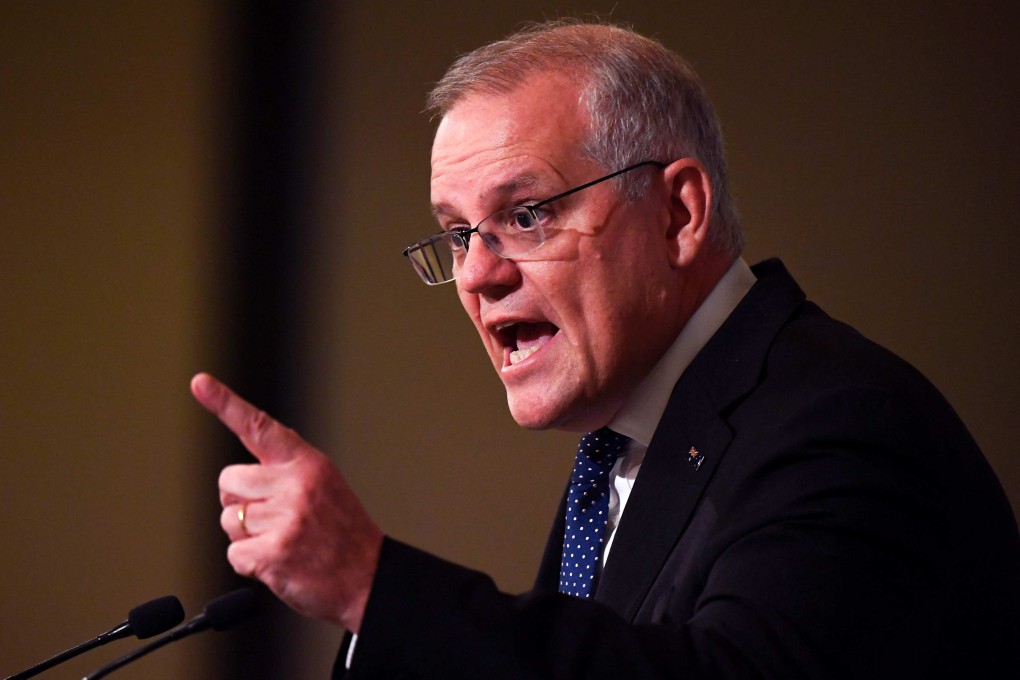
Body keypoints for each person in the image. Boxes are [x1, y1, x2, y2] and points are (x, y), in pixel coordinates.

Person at [190, 20, 1020, 679]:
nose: (477, 274)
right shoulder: (629, 446)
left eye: (525, 215)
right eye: (456, 233)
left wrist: (377, 587)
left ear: (679, 215)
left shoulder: (840, 425)